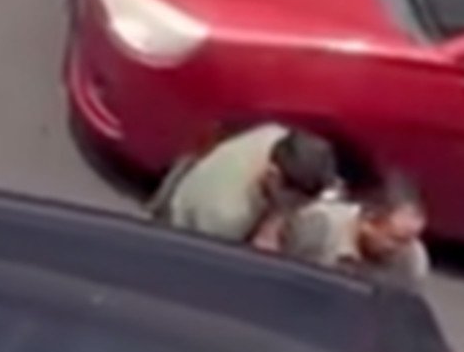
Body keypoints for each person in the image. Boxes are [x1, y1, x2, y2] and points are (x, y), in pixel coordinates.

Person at [153, 123, 339, 248]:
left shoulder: (275, 135)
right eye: (297, 201)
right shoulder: (227, 216)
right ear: (273, 176)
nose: (301, 207)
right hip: (184, 235)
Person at [282, 169, 432, 288]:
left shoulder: (413, 262)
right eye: (396, 239)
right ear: (367, 222)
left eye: (411, 238)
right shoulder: (317, 227)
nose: (404, 249)